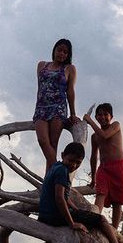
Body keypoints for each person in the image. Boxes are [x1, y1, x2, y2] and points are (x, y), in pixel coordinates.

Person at [28, 142, 123, 243]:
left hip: (46, 215)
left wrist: (77, 210)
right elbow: (59, 198)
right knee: (101, 220)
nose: (73, 165)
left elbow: (66, 198)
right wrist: (72, 222)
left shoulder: (56, 167)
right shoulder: (62, 171)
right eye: (71, 160)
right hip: (55, 216)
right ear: (62, 156)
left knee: (70, 238)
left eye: (78, 163)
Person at [34, 39, 79, 173]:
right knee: (43, 141)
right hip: (41, 108)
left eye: (65, 52)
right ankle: (60, 172)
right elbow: (40, 87)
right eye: (59, 50)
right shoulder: (42, 65)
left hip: (58, 108)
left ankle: (49, 180)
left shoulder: (69, 68)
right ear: (54, 50)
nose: (62, 54)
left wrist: (72, 113)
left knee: (53, 145)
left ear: (68, 55)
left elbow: (70, 91)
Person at [84, 102, 123, 230]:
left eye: (105, 114)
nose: (102, 117)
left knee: (117, 201)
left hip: (118, 166)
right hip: (103, 168)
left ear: (111, 116)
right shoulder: (94, 137)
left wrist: (90, 121)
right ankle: (93, 222)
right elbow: (94, 157)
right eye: (99, 115)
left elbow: (105, 135)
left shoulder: (116, 125)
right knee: (100, 194)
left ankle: (114, 230)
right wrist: (93, 178)